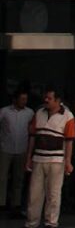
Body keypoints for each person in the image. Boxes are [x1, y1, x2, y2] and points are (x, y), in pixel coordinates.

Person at [24, 89, 75, 228]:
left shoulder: (67, 116)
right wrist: (29, 158)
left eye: (49, 98)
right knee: (34, 193)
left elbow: (69, 141)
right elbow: (32, 137)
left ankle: (51, 222)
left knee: (54, 192)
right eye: (45, 97)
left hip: (56, 160)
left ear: (58, 100)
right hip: (38, 158)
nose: (46, 100)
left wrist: (68, 161)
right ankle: (32, 222)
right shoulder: (39, 113)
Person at [0, 90, 31, 218]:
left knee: (19, 178)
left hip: (22, 148)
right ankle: (1, 203)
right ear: (15, 99)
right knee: (2, 177)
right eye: (22, 99)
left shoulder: (30, 113)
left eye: (25, 99)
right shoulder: (4, 111)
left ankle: (16, 204)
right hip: (5, 148)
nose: (24, 101)